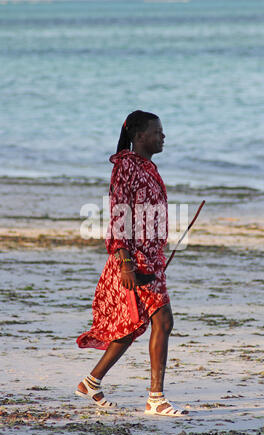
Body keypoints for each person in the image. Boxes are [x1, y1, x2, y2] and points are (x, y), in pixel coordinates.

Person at [76, 110, 187, 416]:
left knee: (132, 323)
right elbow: (118, 213)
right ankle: (156, 398)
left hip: (151, 258)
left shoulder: (147, 166)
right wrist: (125, 262)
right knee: (162, 321)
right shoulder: (126, 166)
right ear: (139, 136)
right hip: (134, 261)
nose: (163, 136)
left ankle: (91, 382)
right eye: (157, 131)